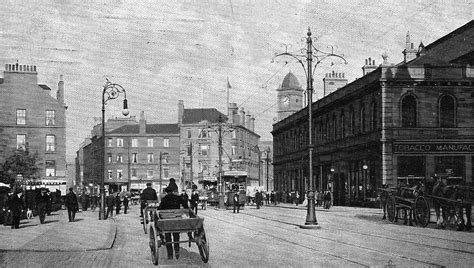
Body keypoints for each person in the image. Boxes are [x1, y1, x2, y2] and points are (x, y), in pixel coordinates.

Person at [157, 184, 189, 260]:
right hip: (176, 219)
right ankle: (177, 252)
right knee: (176, 236)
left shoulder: (164, 199)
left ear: (167, 192)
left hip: (167, 221)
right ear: (173, 191)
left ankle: (170, 254)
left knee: (168, 237)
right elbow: (185, 205)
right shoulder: (178, 197)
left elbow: (160, 208)